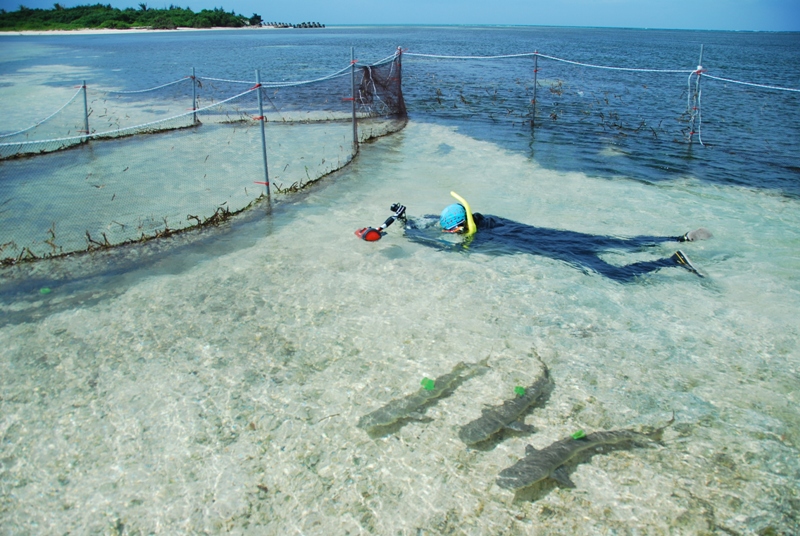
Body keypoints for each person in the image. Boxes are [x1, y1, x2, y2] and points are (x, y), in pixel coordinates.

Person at [402, 191, 711, 283]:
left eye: (451, 229)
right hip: (558, 236)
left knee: (618, 276)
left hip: (556, 250)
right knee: (618, 241)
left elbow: (447, 247)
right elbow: (449, 227)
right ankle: (679, 237)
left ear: (459, 227)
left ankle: (671, 261)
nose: (450, 233)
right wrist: (422, 219)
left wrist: (410, 233)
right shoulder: (489, 219)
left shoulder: (476, 240)